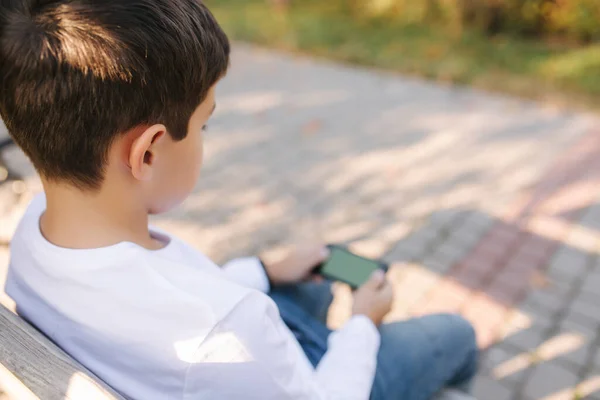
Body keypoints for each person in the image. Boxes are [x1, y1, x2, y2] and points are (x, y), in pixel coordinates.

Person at [0, 1, 478, 399]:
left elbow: (182, 309)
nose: (206, 137)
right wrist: (362, 325)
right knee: (454, 336)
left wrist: (265, 271)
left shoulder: (36, 227)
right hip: (307, 381)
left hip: (214, 366)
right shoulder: (225, 328)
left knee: (312, 280)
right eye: (204, 124)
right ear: (147, 154)